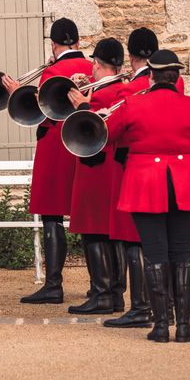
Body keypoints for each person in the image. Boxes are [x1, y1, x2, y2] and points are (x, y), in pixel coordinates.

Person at [76, 49, 190, 343]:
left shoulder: (133, 104)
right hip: (185, 186)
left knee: (154, 256)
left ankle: (161, 326)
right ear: (176, 77)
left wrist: (96, 112)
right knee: (182, 257)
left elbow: (108, 136)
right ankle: (184, 326)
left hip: (145, 185)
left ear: (151, 75)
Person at [2, 18, 93, 304]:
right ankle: (101, 285)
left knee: (51, 214)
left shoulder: (52, 71)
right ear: (78, 42)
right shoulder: (94, 69)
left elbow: (41, 110)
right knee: (91, 217)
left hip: (56, 145)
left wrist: (17, 91)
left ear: (53, 44)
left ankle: (54, 284)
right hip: (89, 144)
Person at [103, 28, 159, 328]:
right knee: (159, 239)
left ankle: (140, 306)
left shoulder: (128, 91)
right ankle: (164, 305)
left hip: (132, 167)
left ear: (133, 55)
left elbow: (111, 131)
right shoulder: (173, 84)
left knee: (132, 238)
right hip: (162, 170)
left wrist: (84, 106)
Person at [66, 38, 127, 315]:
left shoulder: (102, 93)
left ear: (100, 65)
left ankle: (101, 292)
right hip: (113, 169)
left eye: (95, 65)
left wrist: (80, 106)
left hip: (94, 167)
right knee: (112, 232)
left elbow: (90, 126)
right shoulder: (124, 90)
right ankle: (115, 292)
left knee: (92, 231)